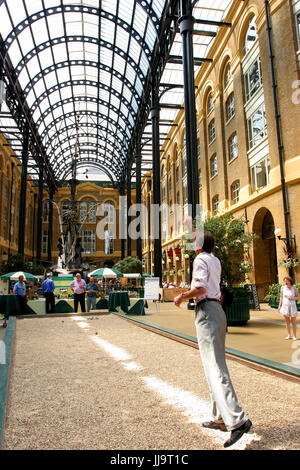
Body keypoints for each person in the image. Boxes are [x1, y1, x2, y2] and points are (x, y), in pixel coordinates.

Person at [174, 230, 252, 448]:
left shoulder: (200, 259)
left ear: (199, 245)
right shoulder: (215, 260)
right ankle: (219, 418)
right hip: (217, 310)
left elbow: (200, 287)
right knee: (213, 364)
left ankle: (237, 421)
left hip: (207, 310)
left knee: (215, 366)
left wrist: (182, 296)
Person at [278, 276, 300, 340]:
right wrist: (279, 305)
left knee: (293, 321)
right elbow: (281, 297)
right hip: (285, 306)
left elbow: (298, 297)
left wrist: (292, 298)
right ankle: (289, 335)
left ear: (290, 281)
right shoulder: (282, 288)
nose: (285, 283)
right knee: (287, 321)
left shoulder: (294, 288)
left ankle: (294, 336)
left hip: (292, 306)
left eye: (287, 281)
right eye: (284, 281)